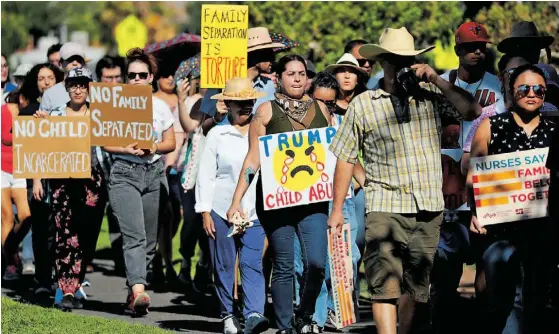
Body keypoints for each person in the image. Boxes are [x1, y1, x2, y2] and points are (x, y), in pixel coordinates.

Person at [328, 27, 480, 334]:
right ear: (383, 61)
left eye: (407, 60)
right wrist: (336, 210)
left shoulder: (431, 97)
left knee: (417, 287)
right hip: (384, 202)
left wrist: (436, 78)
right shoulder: (364, 103)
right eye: (395, 60)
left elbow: (472, 110)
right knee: (384, 283)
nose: (401, 66)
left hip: (427, 205)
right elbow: (345, 157)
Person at [228, 54, 332, 334]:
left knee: (316, 263)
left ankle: (306, 313)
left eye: (302, 74)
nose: (298, 79)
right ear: (279, 78)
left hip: (314, 201)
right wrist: (236, 201)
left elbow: (335, 154)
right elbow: (253, 160)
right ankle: (285, 326)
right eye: (291, 73)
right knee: (284, 264)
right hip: (277, 201)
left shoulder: (323, 110)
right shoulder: (265, 112)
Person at [467, 64, 554, 334]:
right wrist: (475, 212)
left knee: (536, 299)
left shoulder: (555, 131)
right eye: (524, 88)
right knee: (502, 300)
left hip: (543, 232)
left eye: (538, 89)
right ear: (510, 90)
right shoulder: (491, 126)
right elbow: (475, 174)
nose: (531, 93)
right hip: (500, 231)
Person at [430, 22, 504, 333]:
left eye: (482, 47)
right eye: (471, 47)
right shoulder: (440, 83)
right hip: (446, 185)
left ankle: (483, 326)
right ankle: (442, 325)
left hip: (486, 184)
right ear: (458, 50)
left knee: (488, 261)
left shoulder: (499, 86)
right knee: (445, 268)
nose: (477, 52)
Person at [103, 47, 176, 316]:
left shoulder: (160, 107)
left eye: (141, 75)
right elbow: (105, 142)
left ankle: (132, 291)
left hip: (153, 173)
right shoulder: (115, 105)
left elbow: (171, 142)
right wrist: (127, 148)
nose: (136, 79)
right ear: (126, 78)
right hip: (124, 172)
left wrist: (154, 147)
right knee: (133, 236)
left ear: (150, 77)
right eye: (131, 75)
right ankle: (139, 290)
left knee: (148, 241)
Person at [197, 78, 269, 334]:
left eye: (249, 101)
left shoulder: (262, 132)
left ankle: (253, 314)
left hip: (254, 211)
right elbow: (205, 174)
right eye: (240, 103)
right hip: (220, 209)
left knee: (251, 262)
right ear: (227, 105)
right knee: (225, 265)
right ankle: (228, 314)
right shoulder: (217, 134)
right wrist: (205, 211)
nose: (246, 107)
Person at [35, 68, 106, 310]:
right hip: (61, 180)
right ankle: (66, 288)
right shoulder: (53, 114)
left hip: (92, 181)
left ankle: (77, 282)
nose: (78, 89)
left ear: (90, 88)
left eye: (83, 84)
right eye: (74, 84)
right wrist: (37, 179)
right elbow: (39, 148)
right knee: (65, 235)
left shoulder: (100, 115)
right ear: (67, 87)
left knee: (86, 234)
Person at [174, 54, 215, 292]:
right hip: (193, 172)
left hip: (217, 173)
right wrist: (181, 100)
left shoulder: (228, 101)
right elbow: (190, 126)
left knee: (211, 224)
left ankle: (204, 265)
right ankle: (186, 261)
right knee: (191, 221)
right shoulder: (196, 103)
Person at [152, 59, 185, 287]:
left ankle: (159, 254)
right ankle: (162, 261)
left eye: (174, 75)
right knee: (164, 215)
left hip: (179, 167)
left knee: (175, 215)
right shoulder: (151, 101)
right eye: (165, 75)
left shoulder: (182, 98)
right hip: (156, 163)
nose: (170, 79)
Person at [199, 27, 283, 118]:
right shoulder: (221, 83)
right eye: (269, 54)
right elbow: (204, 127)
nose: (273, 60)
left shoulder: (269, 85)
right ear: (256, 55)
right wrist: (217, 116)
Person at [1, 102, 32, 282]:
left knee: (26, 216)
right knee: (7, 218)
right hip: (2, 169)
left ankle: (10, 249)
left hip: (20, 167)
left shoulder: (29, 113)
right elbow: (6, 137)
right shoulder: (3, 111)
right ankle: (10, 263)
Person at [40, 42, 87, 113]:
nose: (75, 63)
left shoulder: (95, 90)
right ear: (60, 63)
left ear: (83, 63)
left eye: (79, 60)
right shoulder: (49, 94)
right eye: (70, 60)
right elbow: (43, 123)